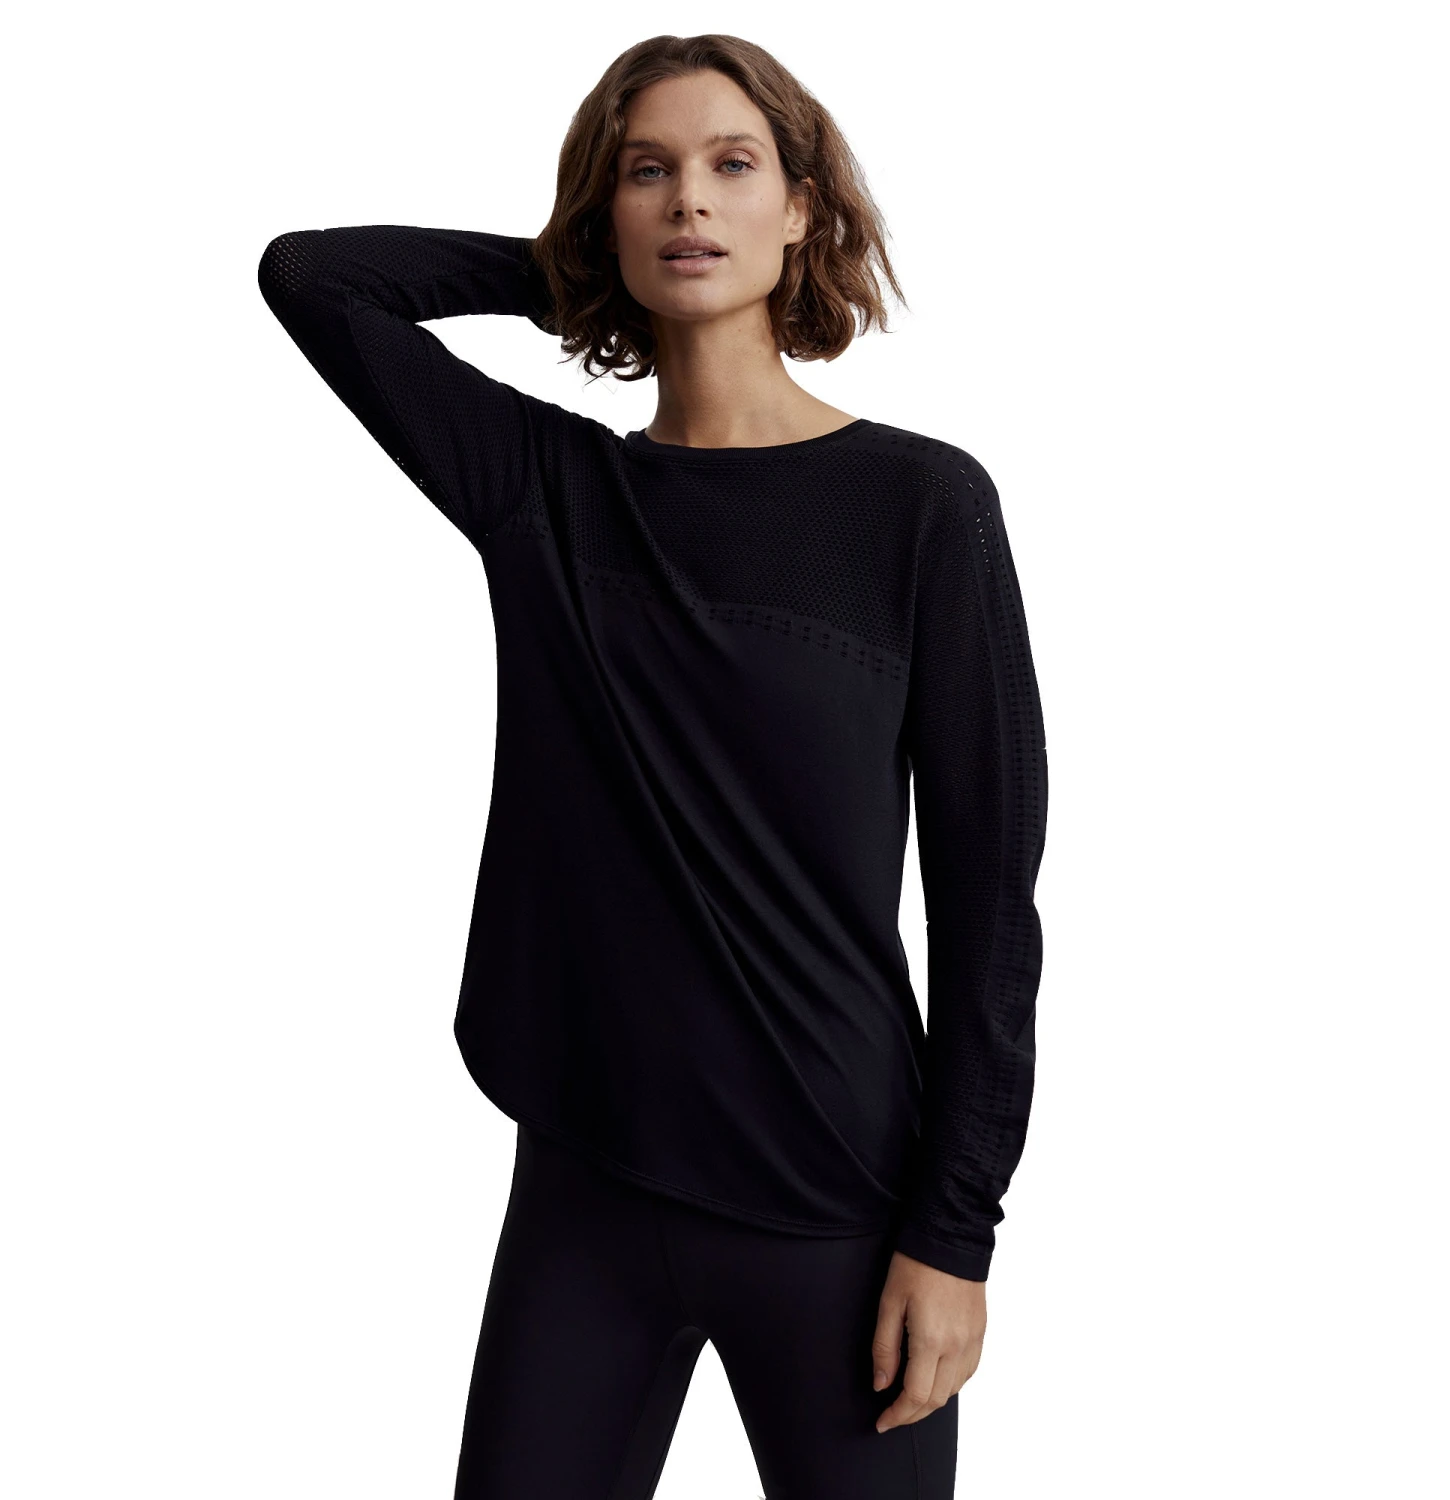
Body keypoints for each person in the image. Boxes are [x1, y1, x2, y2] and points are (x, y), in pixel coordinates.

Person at [257, 31, 1047, 1500]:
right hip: (589, 1185)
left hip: (837, 1201)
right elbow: (313, 278)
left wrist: (956, 1232)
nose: (690, 201)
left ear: (803, 208)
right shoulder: (549, 495)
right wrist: (577, 270)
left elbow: (993, 906)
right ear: (606, 212)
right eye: (648, 174)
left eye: (733, 167)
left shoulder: (920, 508)